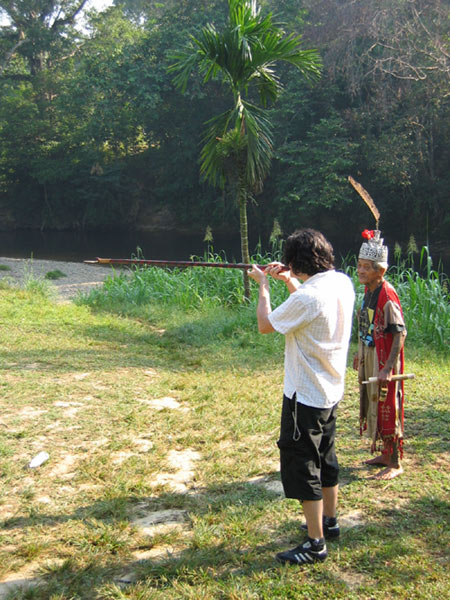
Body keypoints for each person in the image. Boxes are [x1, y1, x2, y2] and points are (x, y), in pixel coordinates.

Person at [248, 229, 355, 566]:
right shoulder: (340, 282)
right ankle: (330, 522)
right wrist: (288, 279)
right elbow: (307, 305)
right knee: (326, 458)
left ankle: (315, 543)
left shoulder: (308, 298)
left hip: (304, 396)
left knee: (303, 464)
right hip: (330, 390)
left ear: (296, 261)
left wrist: (263, 286)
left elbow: (266, 325)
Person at [353, 229, 407, 480]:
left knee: (387, 404)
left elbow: (399, 333)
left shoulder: (388, 294)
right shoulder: (368, 290)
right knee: (373, 401)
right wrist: (360, 351)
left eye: (366, 267)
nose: (360, 271)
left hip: (384, 360)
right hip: (370, 354)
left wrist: (387, 368)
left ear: (380, 271)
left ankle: (394, 462)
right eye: (359, 265)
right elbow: (366, 323)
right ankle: (385, 453)